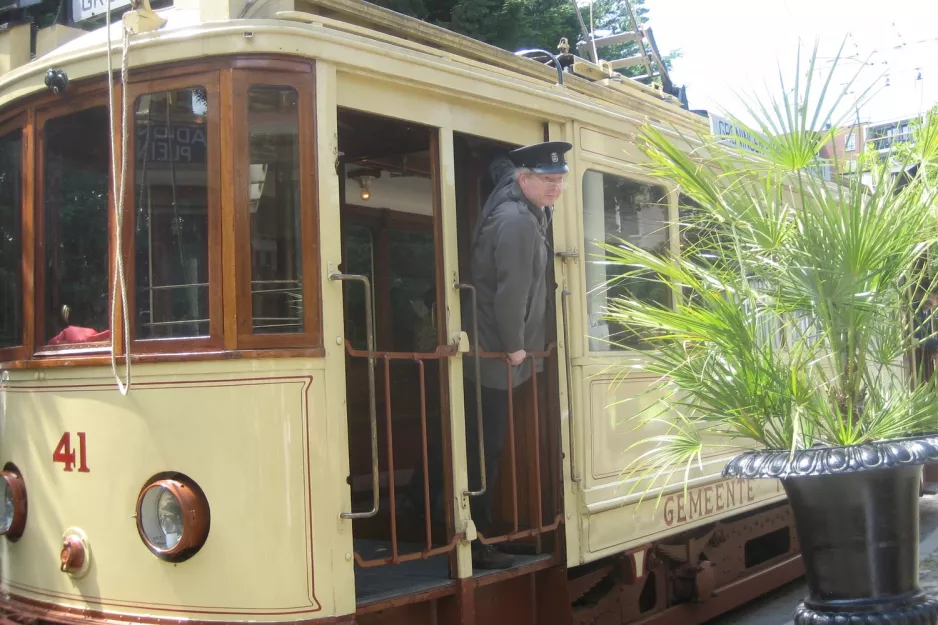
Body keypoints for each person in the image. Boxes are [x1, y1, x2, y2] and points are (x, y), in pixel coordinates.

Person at [461, 140, 572, 569]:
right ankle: (477, 539)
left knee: (477, 438)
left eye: (560, 181)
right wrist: (515, 347)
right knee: (484, 447)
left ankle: (427, 499)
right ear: (525, 179)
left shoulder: (512, 192)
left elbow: (499, 168)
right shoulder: (519, 221)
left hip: (490, 347)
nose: (556, 189)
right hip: (497, 353)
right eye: (548, 181)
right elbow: (512, 292)